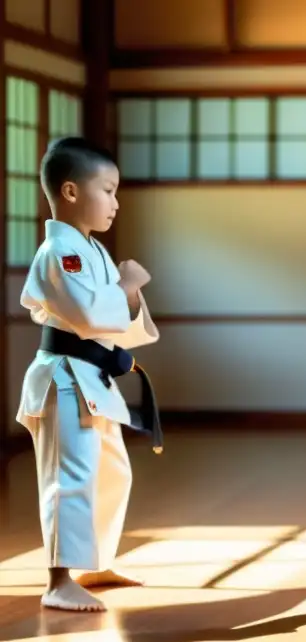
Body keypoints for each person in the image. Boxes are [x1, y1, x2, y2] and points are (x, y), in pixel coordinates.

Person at [17, 136, 162, 612]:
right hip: (64, 377)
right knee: (69, 475)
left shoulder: (90, 250)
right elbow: (88, 315)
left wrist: (132, 296)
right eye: (108, 190)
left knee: (112, 471)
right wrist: (125, 285)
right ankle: (59, 580)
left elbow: (120, 324)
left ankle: (94, 561)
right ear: (72, 191)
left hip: (92, 379)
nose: (116, 203)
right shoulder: (62, 253)